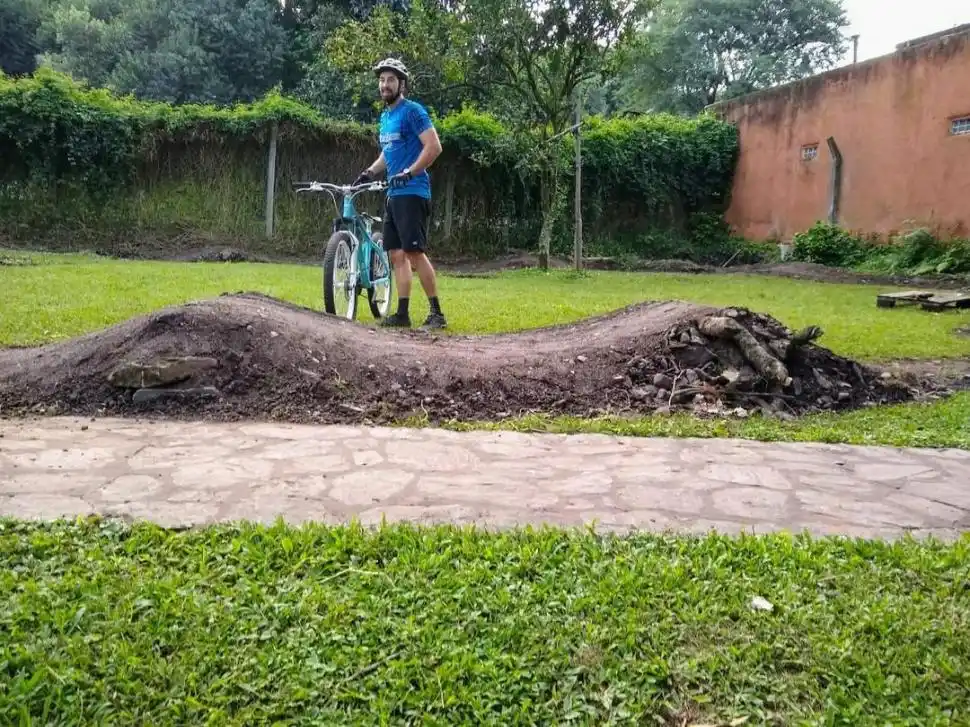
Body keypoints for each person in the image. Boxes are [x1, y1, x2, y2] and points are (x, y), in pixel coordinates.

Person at [354, 57, 447, 330]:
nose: (385, 85)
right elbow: (388, 152)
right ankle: (402, 313)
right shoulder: (386, 117)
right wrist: (370, 172)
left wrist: (411, 171)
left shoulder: (413, 111)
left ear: (401, 84)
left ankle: (437, 313)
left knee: (414, 253)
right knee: (396, 254)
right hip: (393, 195)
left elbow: (434, 146)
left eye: (391, 80)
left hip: (413, 192)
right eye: (382, 80)